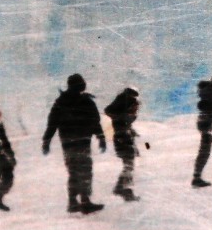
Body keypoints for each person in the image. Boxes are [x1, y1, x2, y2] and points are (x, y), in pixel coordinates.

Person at [42, 73, 107, 214]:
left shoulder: (60, 102)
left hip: (68, 143)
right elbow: (95, 122)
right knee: (85, 171)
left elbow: (52, 124)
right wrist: (101, 137)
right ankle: (84, 201)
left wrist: (46, 141)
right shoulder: (87, 102)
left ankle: (73, 202)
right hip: (82, 142)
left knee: (73, 171)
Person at [103, 87, 144, 201]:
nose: (136, 109)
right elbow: (122, 122)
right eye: (135, 107)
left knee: (129, 164)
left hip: (123, 138)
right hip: (123, 138)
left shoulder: (121, 114)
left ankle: (123, 188)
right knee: (129, 165)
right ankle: (122, 189)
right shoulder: (123, 114)